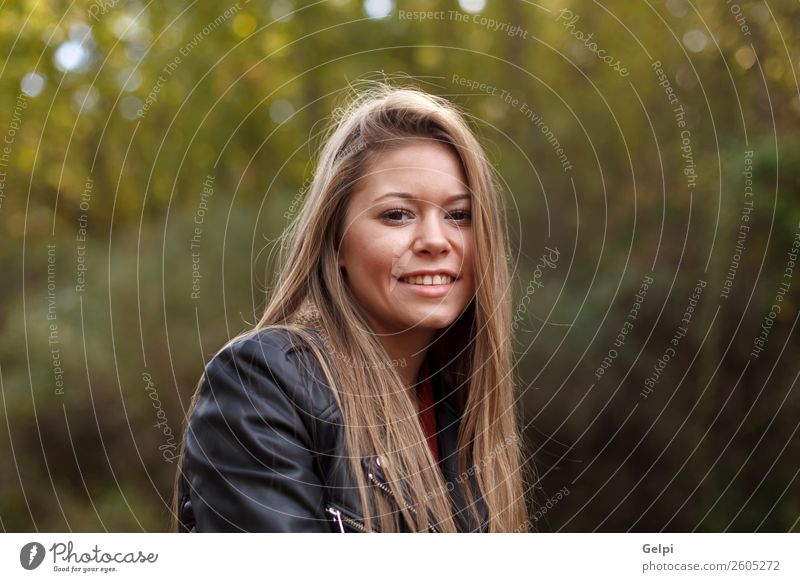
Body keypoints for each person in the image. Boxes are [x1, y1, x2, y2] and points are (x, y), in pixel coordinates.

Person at [173, 82, 530, 532]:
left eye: (458, 214)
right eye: (397, 214)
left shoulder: (460, 415)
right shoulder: (261, 386)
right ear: (335, 240)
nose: (436, 241)